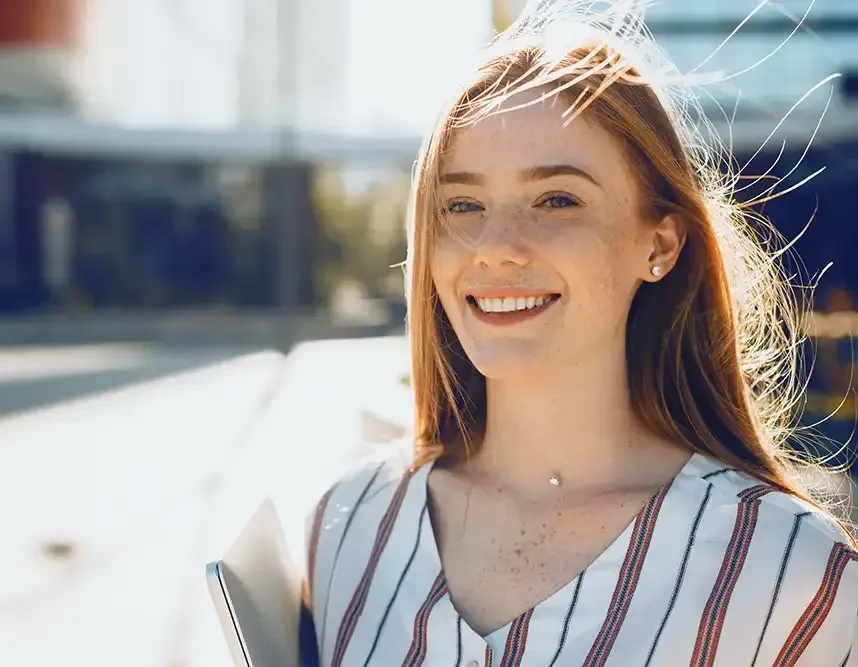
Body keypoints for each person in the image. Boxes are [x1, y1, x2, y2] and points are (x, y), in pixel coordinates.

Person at [299, 2, 858, 665]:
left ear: (660, 244)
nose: (495, 246)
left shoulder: (797, 574)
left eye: (557, 200)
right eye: (463, 205)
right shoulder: (347, 526)